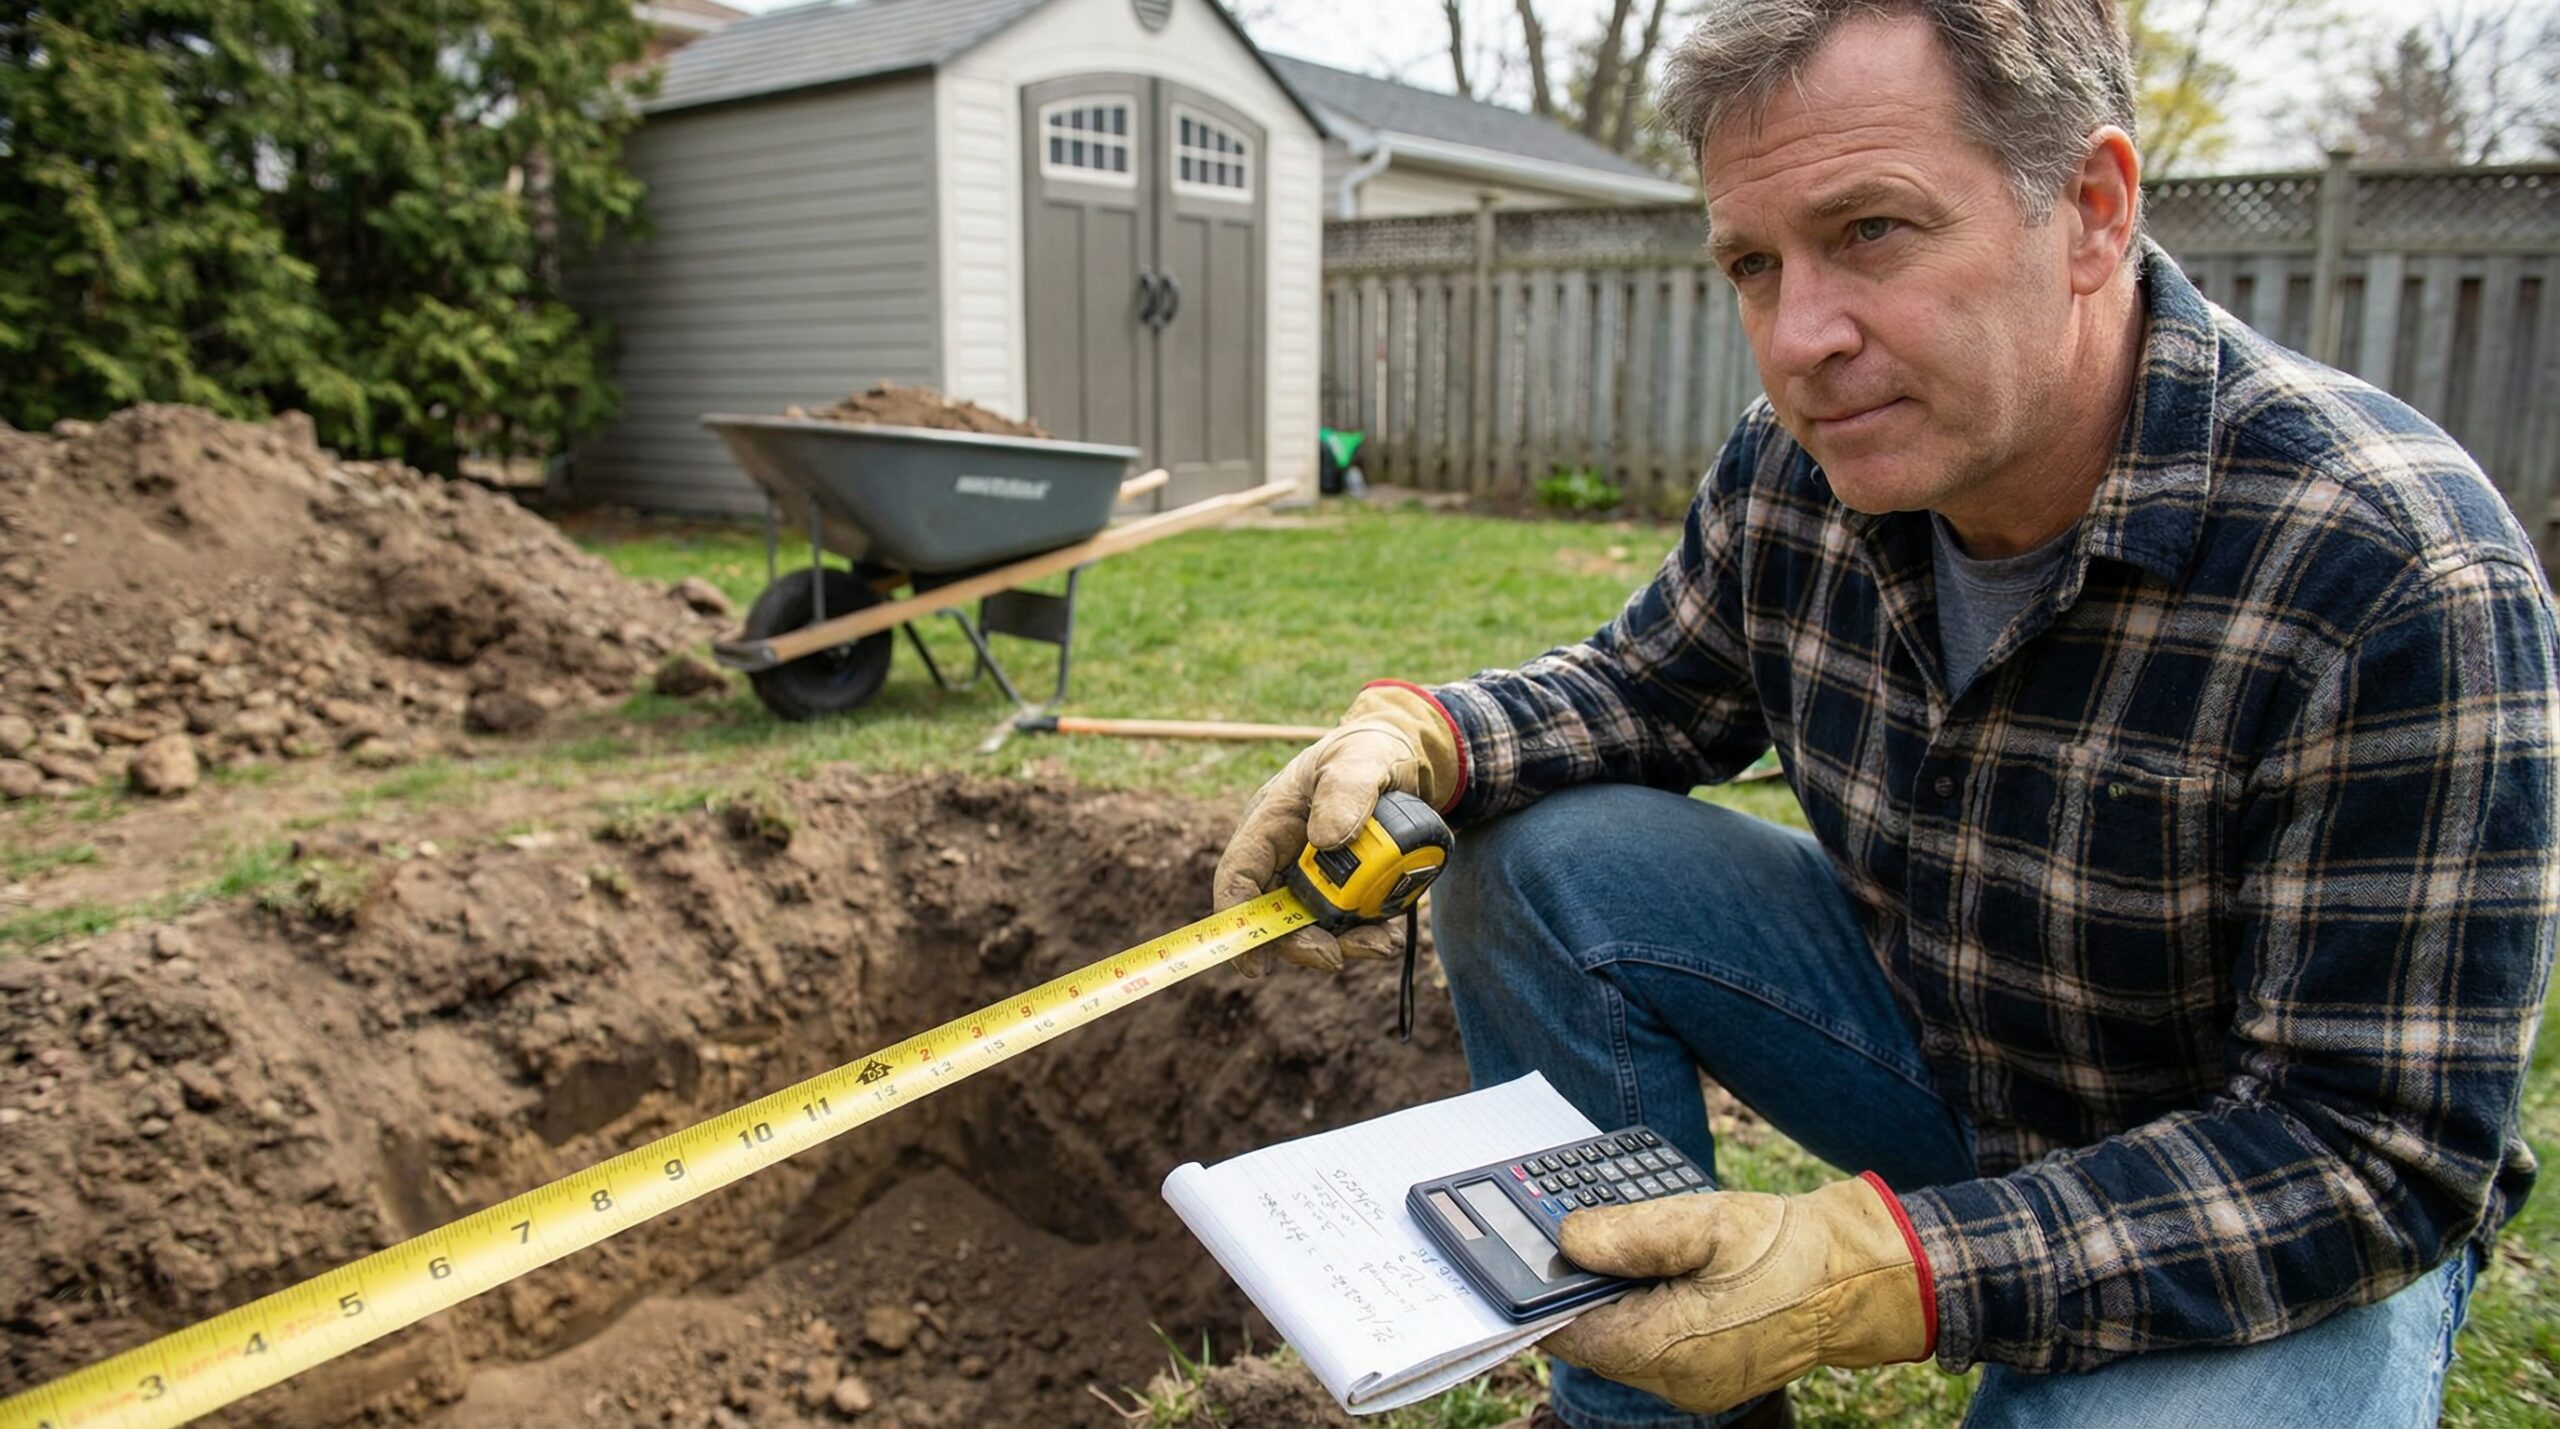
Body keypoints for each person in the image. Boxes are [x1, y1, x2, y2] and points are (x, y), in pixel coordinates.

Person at [1212, 2, 2560, 1426]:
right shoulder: (1811, 463)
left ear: (2091, 210)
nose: (1801, 340)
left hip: (2242, 1182)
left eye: (1872, 230)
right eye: (1753, 262)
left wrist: (1884, 1270)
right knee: (1544, 863)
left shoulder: (2392, 571)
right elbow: (1649, 690)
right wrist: (1431, 733)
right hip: (1954, 1060)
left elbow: (2370, 1156)